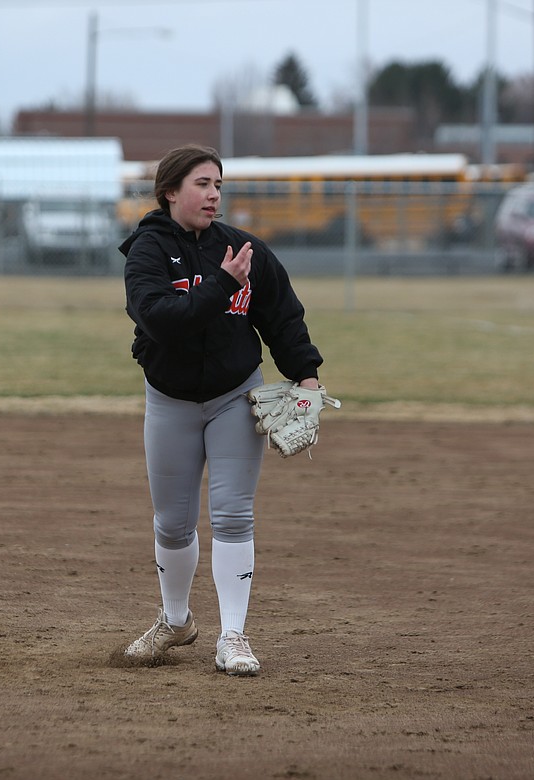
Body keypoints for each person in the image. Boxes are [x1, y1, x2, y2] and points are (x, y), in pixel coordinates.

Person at [118, 144, 326, 676]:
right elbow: (161, 317)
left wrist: (306, 375)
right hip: (170, 400)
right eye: (202, 184)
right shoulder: (145, 251)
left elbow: (282, 315)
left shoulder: (242, 249)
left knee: (233, 515)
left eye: (218, 185)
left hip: (236, 393)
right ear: (170, 191)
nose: (213, 195)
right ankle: (176, 620)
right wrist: (223, 284)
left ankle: (233, 636)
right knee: (173, 523)